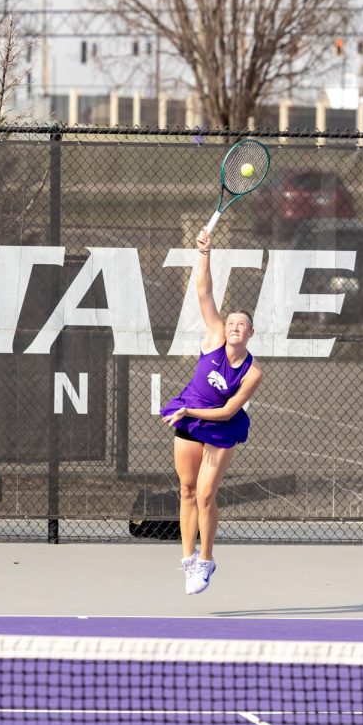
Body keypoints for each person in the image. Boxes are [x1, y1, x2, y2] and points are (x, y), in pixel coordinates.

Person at [159, 228, 263, 595]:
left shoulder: (252, 372)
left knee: (206, 495)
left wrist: (191, 412)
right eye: (231, 322)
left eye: (241, 325)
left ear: (251, 333)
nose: (234, 326)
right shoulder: (214, 335)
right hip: (189, 418)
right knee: (187, 490)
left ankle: (206, 560)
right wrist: (204, 253)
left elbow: (229, 409)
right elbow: (204, 292)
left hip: (219, 426)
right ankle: (187, 559)